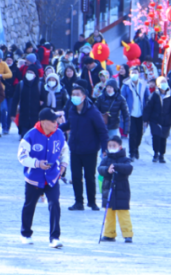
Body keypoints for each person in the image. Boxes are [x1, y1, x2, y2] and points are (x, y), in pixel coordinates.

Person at [19, 108, 69, 248]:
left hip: (52, 177)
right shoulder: (30, 135)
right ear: (43, 122)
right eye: (52, 121)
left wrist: (64, 164)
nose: (55, 123)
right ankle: (25, 234)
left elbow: (65, 150)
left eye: (56, 120)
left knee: (55, 204)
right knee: (30, 205)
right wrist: (36, 163)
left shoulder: (59, 134)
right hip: (34, 178)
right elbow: (22, 157)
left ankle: (54, 238)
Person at [62, 83, 108, 211]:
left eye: (77, 94)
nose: (75, 97)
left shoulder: (93, 112)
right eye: (73, 94)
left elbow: (102, 131)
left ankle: (92, 202)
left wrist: (105, 148)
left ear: (83, 97)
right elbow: (69, 124)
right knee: (76, 177)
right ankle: (78, 202)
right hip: (75, 149)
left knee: (89, 177)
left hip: (90, 150)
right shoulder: (72, 110)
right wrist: (57, 128)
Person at [98, 135, 134, 243]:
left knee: (123, 213)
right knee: (109, 213)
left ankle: (128, 234)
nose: (111, 147)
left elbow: (129, 168)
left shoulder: (125, 159)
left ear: (119, 147)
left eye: (114, 145)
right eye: (109, 145)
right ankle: (109, 234)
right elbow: (100, 169)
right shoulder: (105, 159)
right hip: (108, 189)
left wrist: (117, 166)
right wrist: (107, 170)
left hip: (121, 190)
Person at [144, 76, 171, 163]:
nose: (164, 84)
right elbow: (148, 108)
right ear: (158, 85)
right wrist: (145, 120)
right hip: (155, 120)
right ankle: (155, 153)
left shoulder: (170, 95)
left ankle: (161, 155)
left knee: (163, 138)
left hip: (167, 120)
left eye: (165, 82)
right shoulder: (154, 95)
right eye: (162, 82)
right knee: (156, 136)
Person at [121, 67, 150, 160]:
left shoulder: (144, 85)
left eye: (136, 72)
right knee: (132, 133)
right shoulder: (126, 85)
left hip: (141, 113)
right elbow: (122, 99)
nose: (134, 74)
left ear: (139, 74)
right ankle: (132, 152)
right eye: (132, 72)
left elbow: (148, 98)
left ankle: (136, 148)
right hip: (130, 114)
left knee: (140, 134)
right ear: (129, 74)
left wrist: (148, 112)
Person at [16, 64, 43, 138]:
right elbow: (15, 98)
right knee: (25, 137)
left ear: (35, 75)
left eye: (31, 73)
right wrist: (12, 113)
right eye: (28, 72)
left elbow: (44, 99)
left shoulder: (39, 85)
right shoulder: (21, 84)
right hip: (24, 115)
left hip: (36, 115)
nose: (29, 74)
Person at [0, 54, 18, 137]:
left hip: (12, 93)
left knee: (9, 111)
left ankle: (7, 127)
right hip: (3, 92)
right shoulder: (2, 68)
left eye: (10, 60)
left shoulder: (15, 69)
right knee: (3, 109)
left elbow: (18, 79)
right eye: (7, 60)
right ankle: (3, 126)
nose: (9, 61)